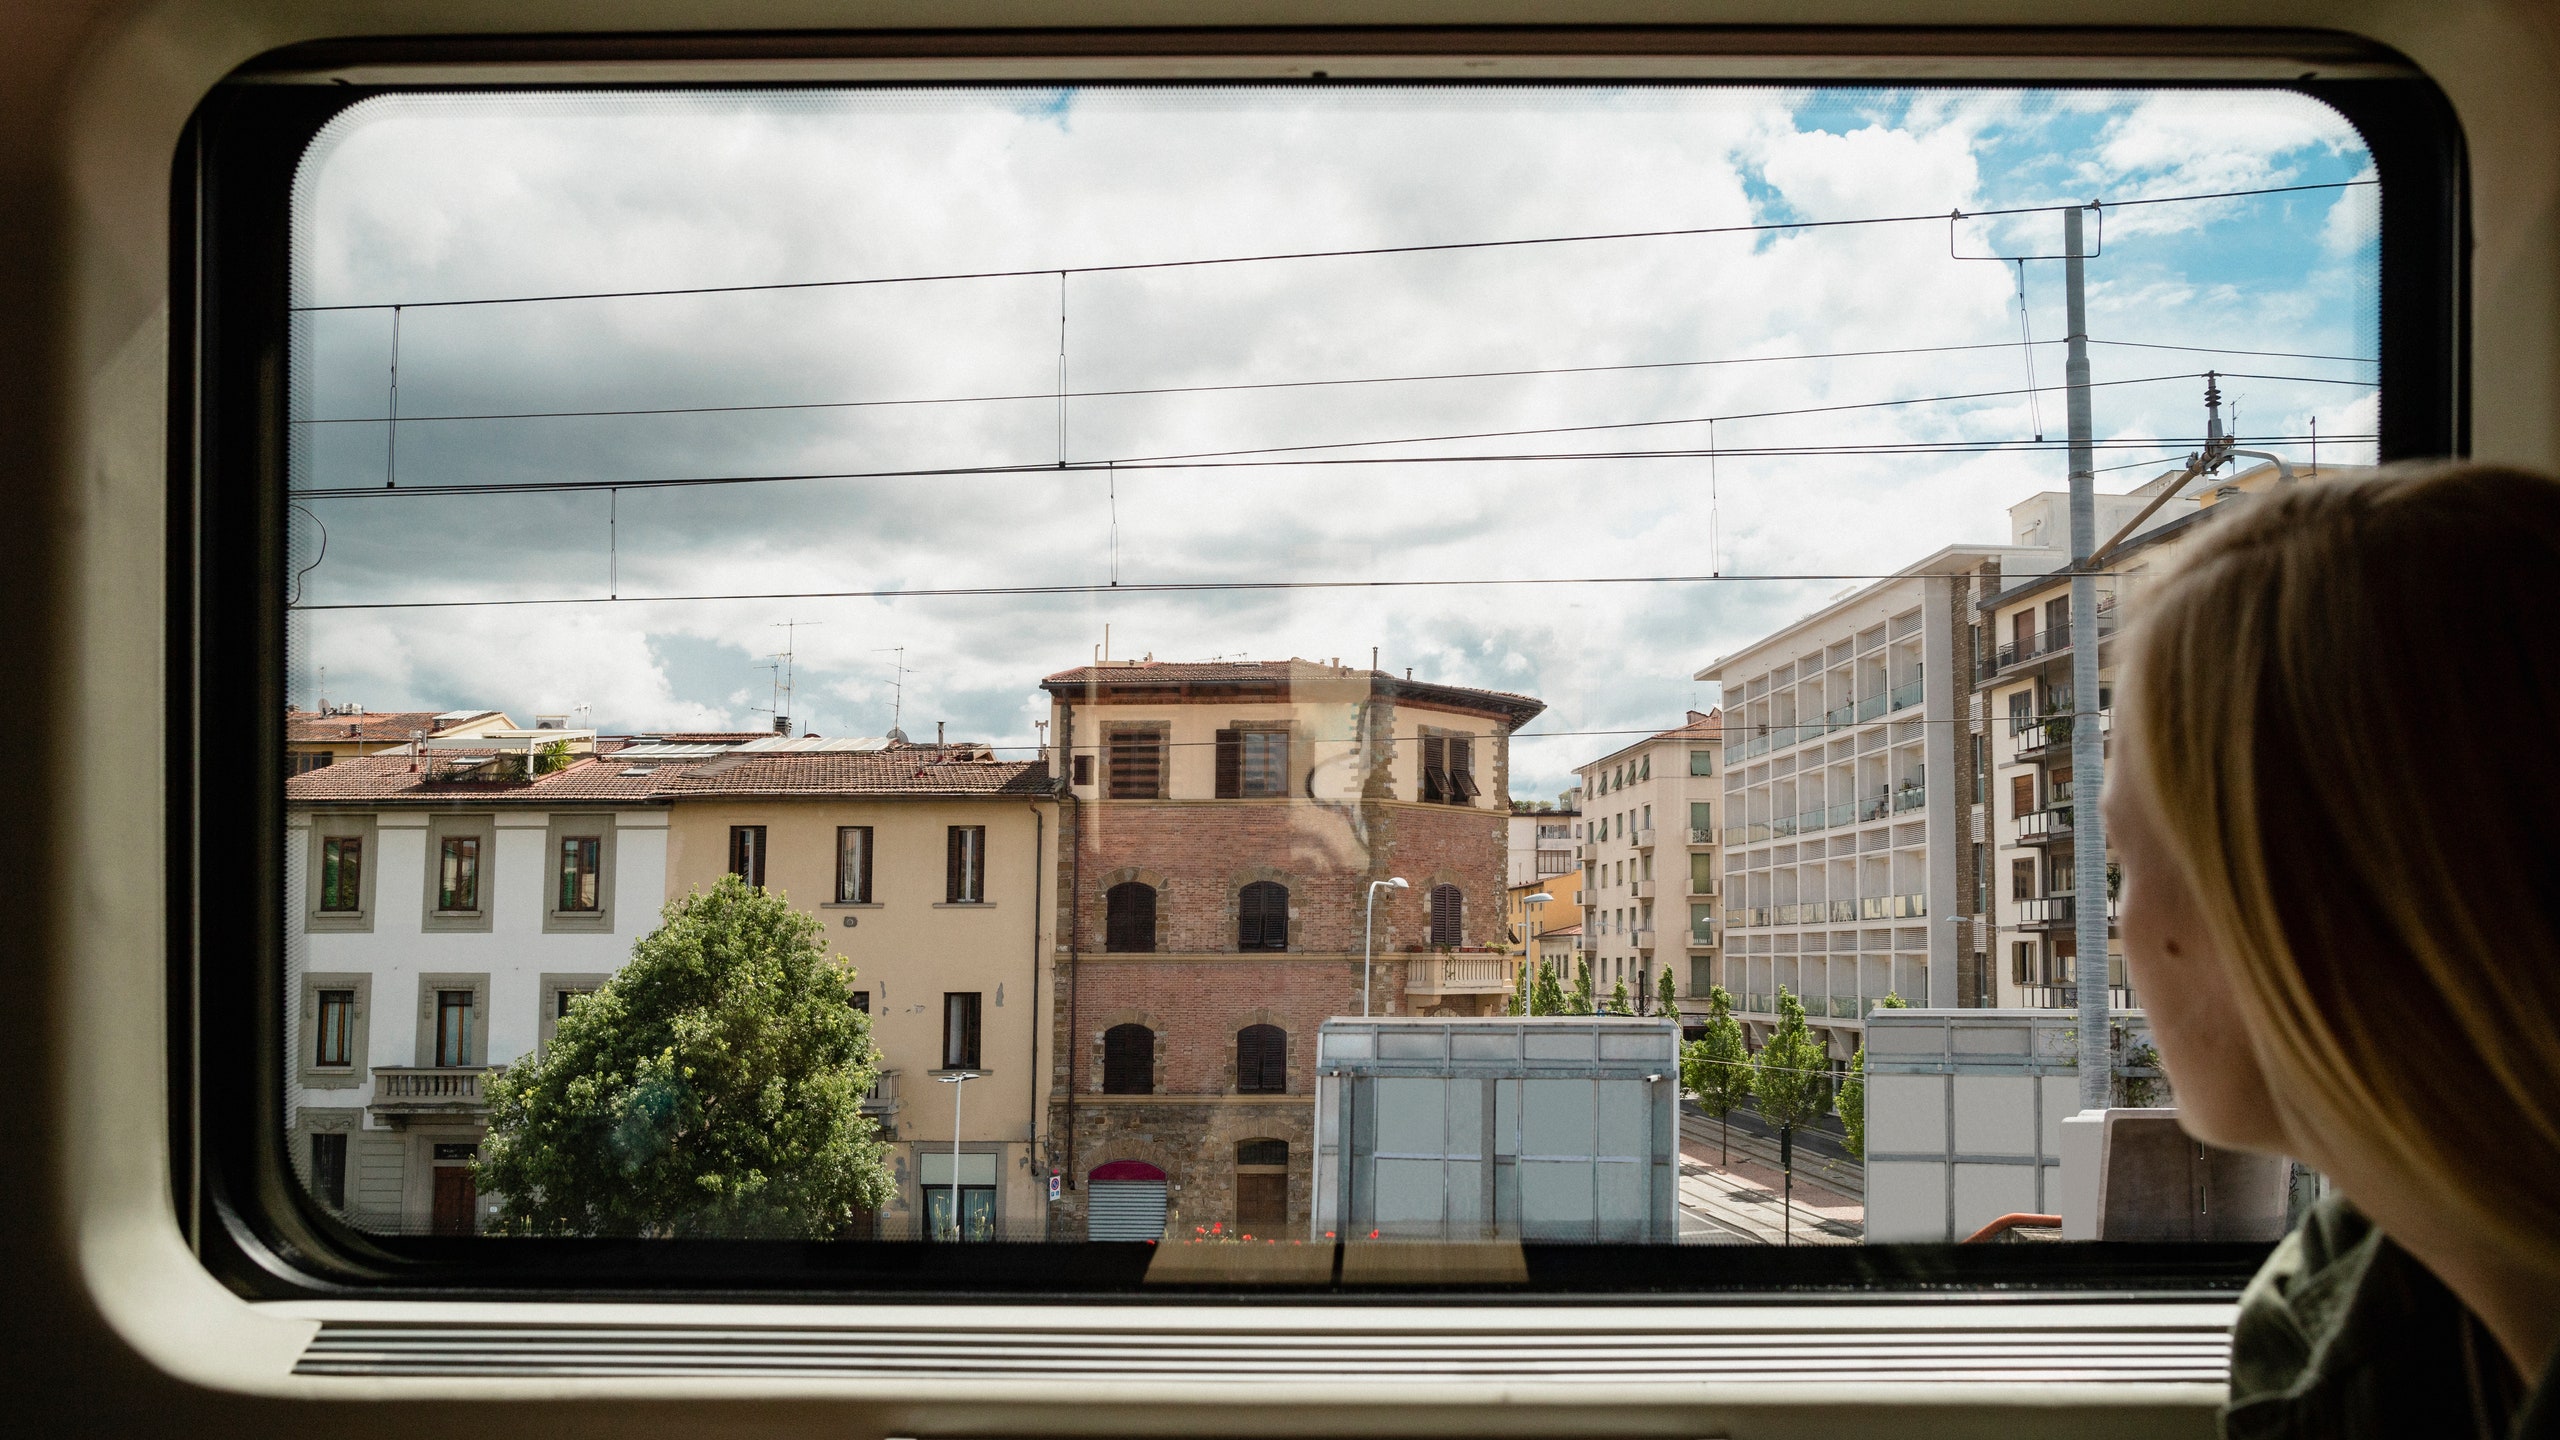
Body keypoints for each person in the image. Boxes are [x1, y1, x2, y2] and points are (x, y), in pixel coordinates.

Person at [2103, 463, 2560, 1439]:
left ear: (2298, 898)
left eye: (2125, 857)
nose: (2123, 928)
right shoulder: (2335, 1309)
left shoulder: (2344, 1338)